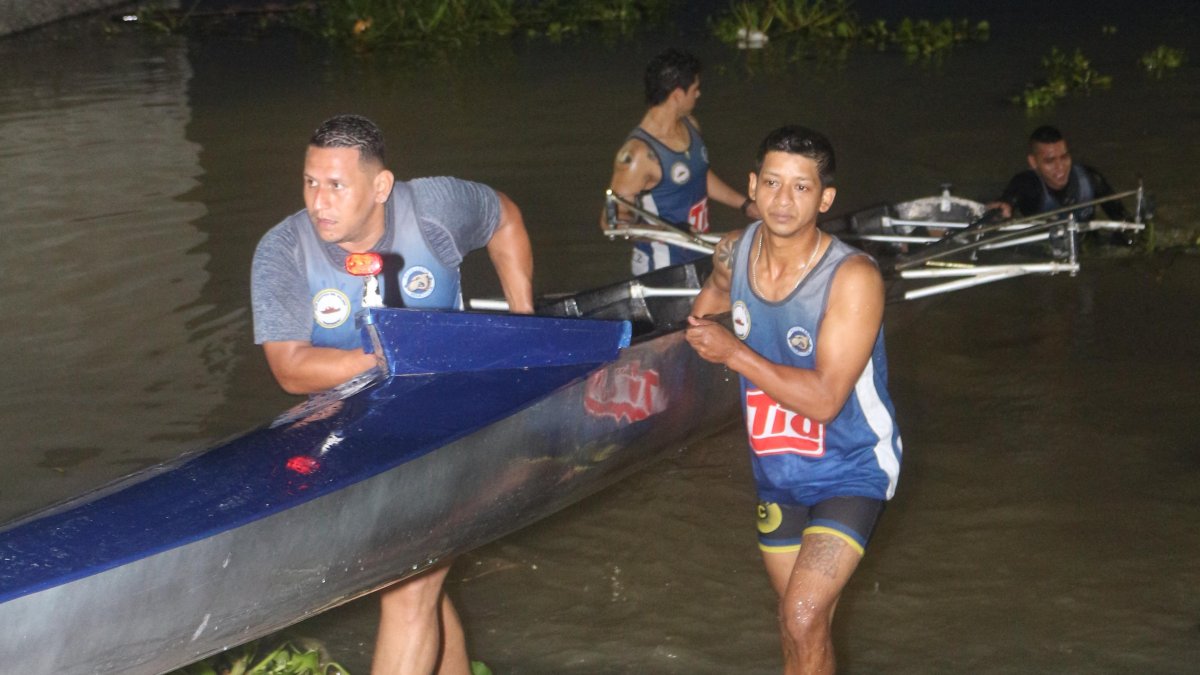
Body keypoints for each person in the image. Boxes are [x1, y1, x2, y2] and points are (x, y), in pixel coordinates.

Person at [251, 114, 533, 674]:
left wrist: (524, 323)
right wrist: (394, 354)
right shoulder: (282, 250)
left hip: (449, 418)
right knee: (413, 581)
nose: (319, 201)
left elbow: (505, 218)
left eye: (337, 185)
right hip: (353, 426)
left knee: (408, 586)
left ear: (380, 186)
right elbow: (290, 369)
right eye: (310, 182)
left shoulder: (435, 208)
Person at [685, 126, 901, 675]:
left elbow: (826, 400)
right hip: (777, 470)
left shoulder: (853, 278)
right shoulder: (733, 251)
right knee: (798, 626)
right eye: (773, 183)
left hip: (851, 468)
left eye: (802, 187)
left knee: (802, 615)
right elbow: (707, 307)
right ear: (752, 186)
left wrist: (736, 354)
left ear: (825, 199)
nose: (783, 200)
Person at [601, 47, 761, 274]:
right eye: (695, 89)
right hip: (661, 264)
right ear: (677, 95)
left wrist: (746, 206)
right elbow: (612, 222)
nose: (698, 94)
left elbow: (699, 176)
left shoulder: (690, 125)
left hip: (698, 250)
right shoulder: (638, 155)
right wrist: (671, 231)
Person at [988, 125, 1134, 246]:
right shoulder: (1026, 184)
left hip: (1089, 249)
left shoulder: (1091, 179)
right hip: (1044, 255)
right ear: (1033, 162)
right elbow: (1007, 202)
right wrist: (1003, 209)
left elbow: (1123, 219)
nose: (1060, 168)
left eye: (1064, 157)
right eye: (1050, 161)